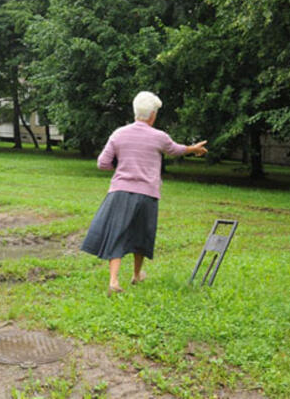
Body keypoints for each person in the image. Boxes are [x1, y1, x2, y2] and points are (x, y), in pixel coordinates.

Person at [81, 91, 208, 296]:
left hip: (120, 192)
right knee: (142, 234)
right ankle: (136, 274)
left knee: (117, 233)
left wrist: (123, 170)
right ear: (152, 115)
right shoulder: (159, 137)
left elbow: (102, 163)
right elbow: (175, 150)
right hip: (147, 194)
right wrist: (194, 149)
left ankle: (113, 280)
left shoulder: (119, 133)